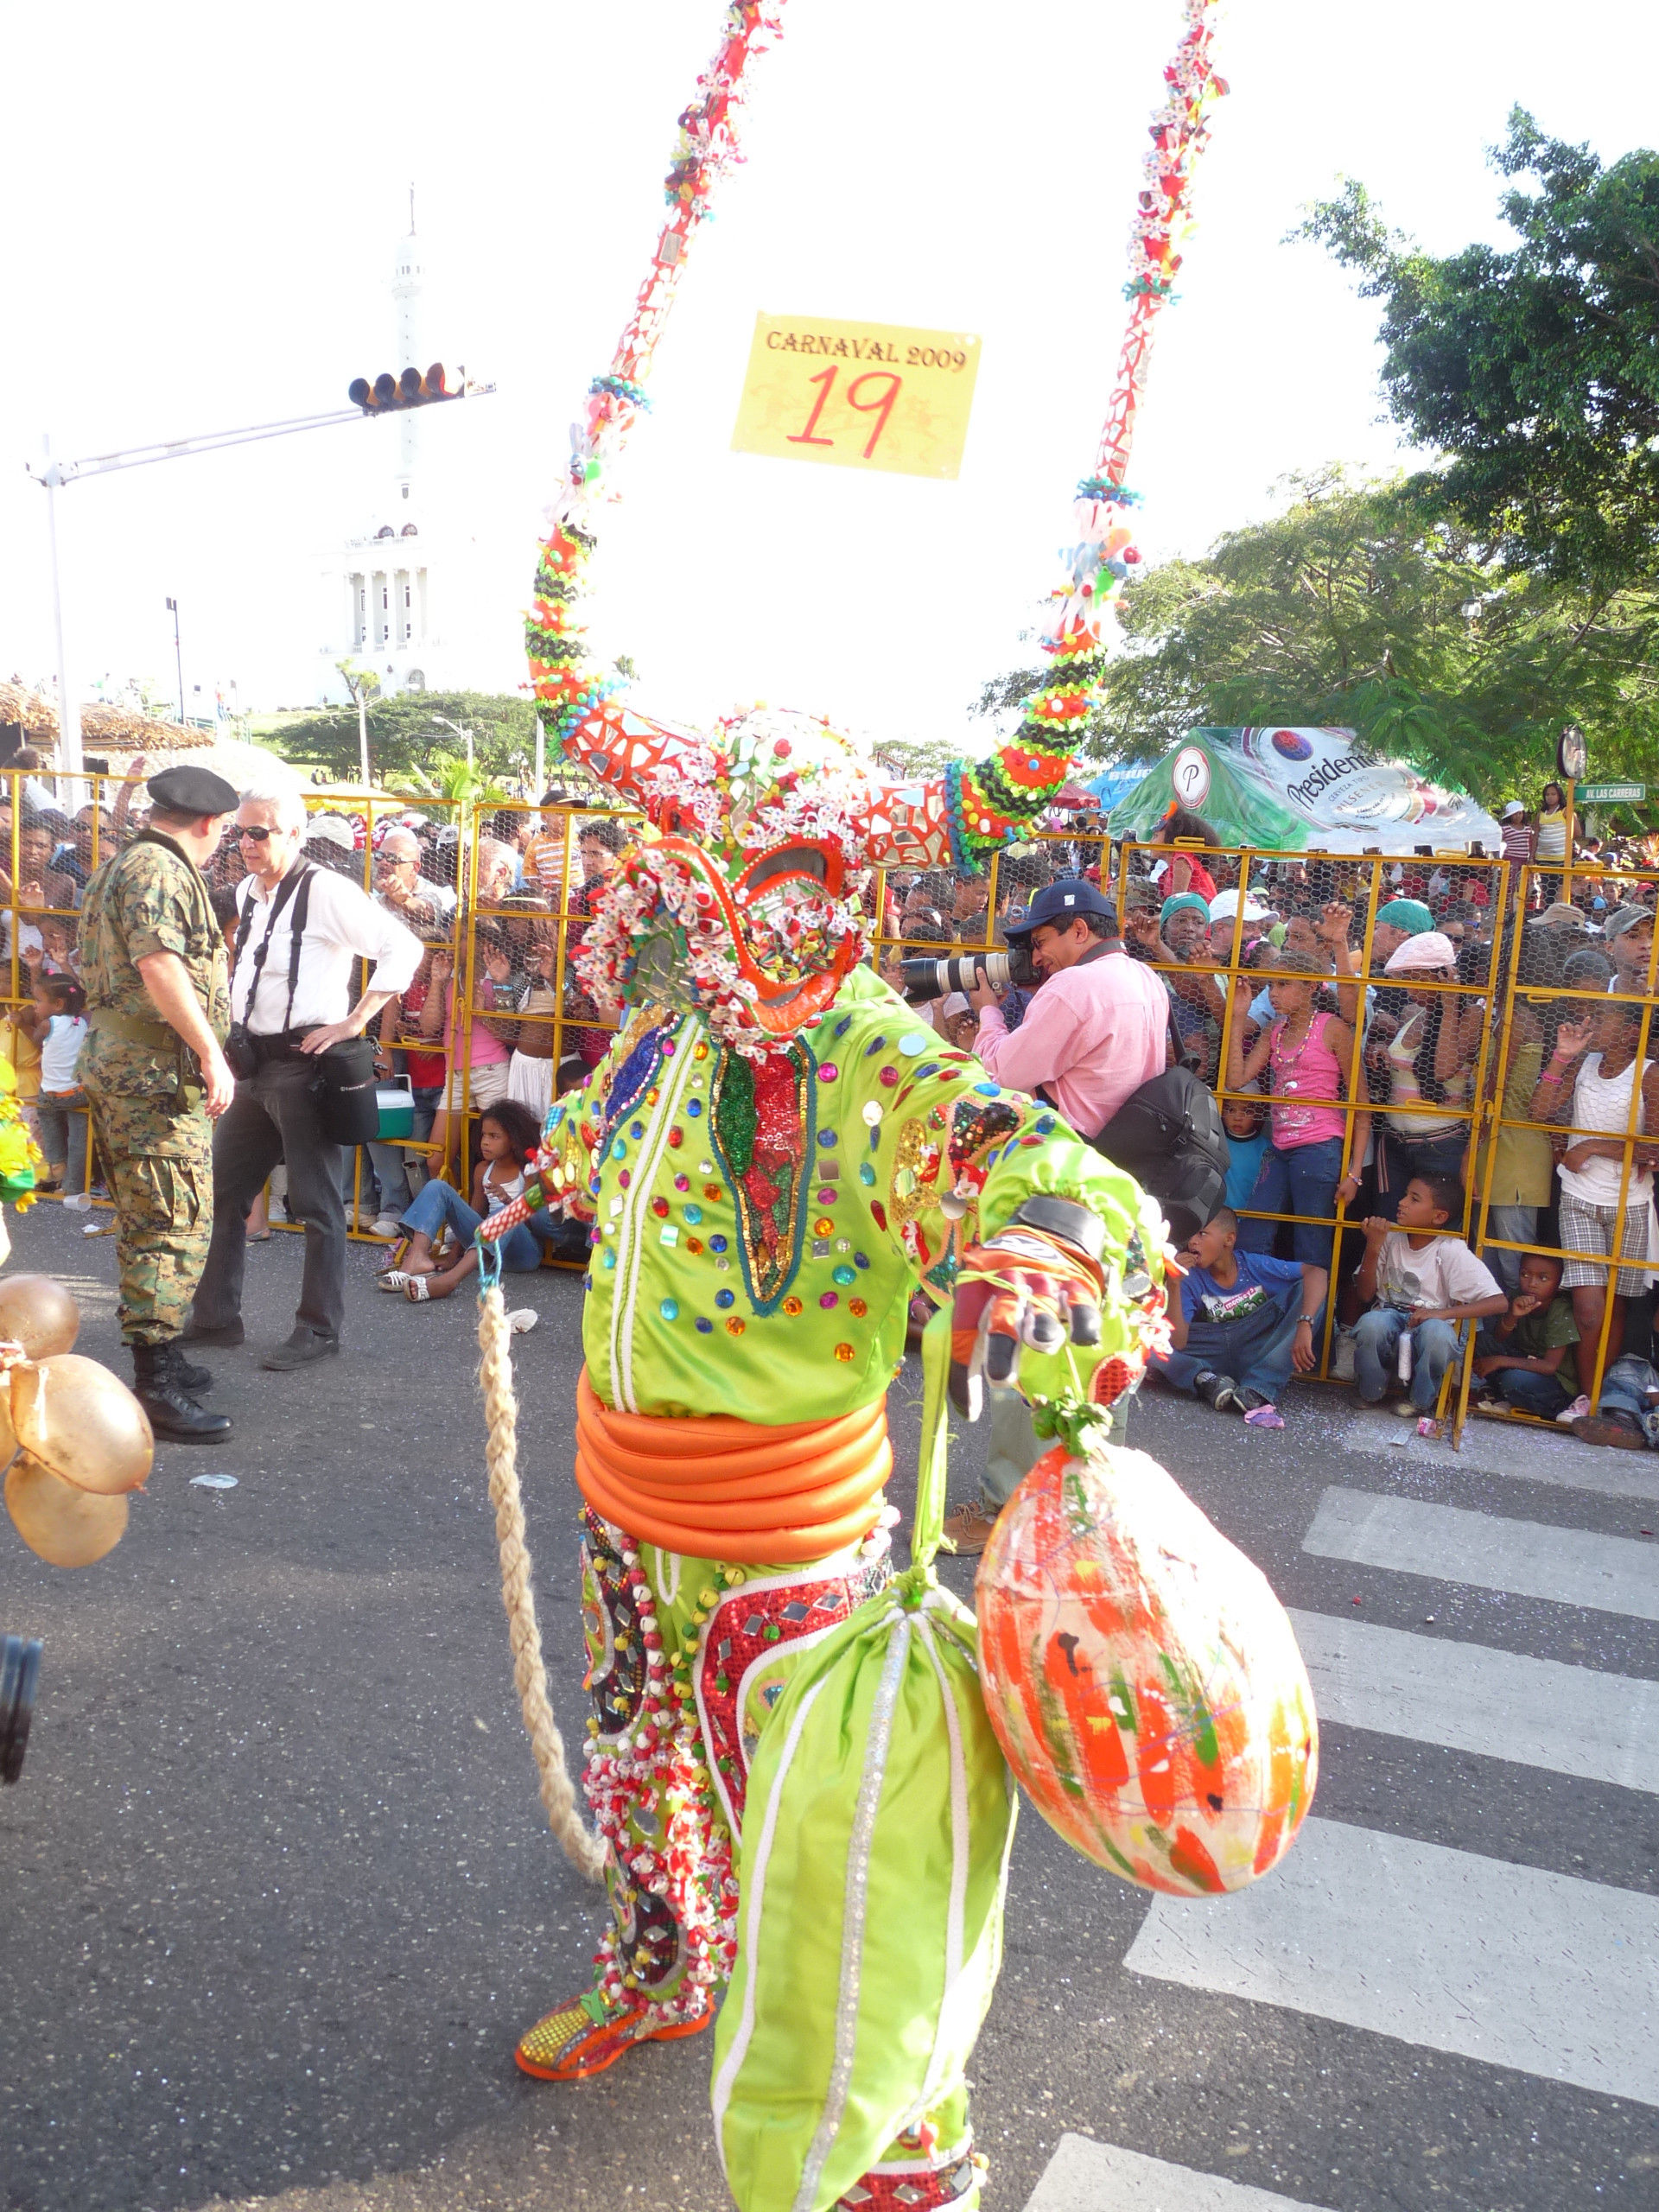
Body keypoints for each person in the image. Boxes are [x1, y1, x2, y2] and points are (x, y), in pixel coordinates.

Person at [183, 777, 422, 1372]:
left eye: (258, 832)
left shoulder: (325, 891)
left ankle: (318, 1331)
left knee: (317, 1206)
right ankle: (216, 1320)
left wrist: (355, 1020)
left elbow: (404, 947)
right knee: (224, 1194)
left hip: (301, 1066)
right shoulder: (247, 891)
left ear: (294, 833)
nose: (245, 842)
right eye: (240, 832)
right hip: (253, 1066)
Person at [77, 763, 239, 1439]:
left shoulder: (127, 863)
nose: (222, 842)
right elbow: (160, 963)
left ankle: (161, 1352)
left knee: (152, 1214)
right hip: (152, 1075)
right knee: (172, 1221)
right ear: (207, 824)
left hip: (133, 1067)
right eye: (225, 832)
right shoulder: (160, 871)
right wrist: (210, 1050)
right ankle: (156, 1384)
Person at [1529, 995, 1659, 1408]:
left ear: (1631, 1031)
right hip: (1579, 1196)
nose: (1590, 1022)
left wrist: (1593, 1147)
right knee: (1588, 1309)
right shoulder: (1584, 1065)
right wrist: (1562, 1058)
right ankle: (1587, 1398)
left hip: (1630, 1202)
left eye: (1602, 1018)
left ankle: (1601, 1401)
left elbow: (1654, 1149)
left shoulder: (1649, 1074)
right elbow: (1539, 1111)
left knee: (1615, 1310)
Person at [967, 880, 1169, 1143]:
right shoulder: (1144, 974)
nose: (1037, 958)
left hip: (1073, 1155)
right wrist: (1043, 993)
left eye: (1040, 942)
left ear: (1079, 931)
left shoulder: (1072, 986)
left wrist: (988, 1010)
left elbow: (1002, 1075)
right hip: (1129, 1151)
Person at [1227, 950, 1370, 1271]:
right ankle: (1259, 1310)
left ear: (1310, 988)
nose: (1273, 994)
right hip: (1280, 1147)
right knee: (1253, 1231)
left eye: (1282, 985)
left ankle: (1309, 1320)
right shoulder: (1273, 1031)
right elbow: (1235, 1079)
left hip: (1320, 1146)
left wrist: (1355, 1172)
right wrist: (1238, 1017)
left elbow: (1361, 1104)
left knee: (1311, 1240)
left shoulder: (1332, 1029)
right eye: (1271, 987)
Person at [1151, 1206, 1325, 1426]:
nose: (1193, 1242)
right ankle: (1206, 1380)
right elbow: (1178, 1342)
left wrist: (1304, 1324)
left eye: (1202, 1234)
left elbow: (1317, 1273)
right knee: (1146, 1341)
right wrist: (1175, 1284)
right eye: (1191, 1235)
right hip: (1209, 1352)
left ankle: (1258, 1388)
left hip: (1255, 1348)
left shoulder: (1253, 1265)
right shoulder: (1189, 1278)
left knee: (1308, 1291)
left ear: (1229, 1239)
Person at [1351, 1174, 1508, 1416]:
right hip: (1391, 1319)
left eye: (1414, 1199)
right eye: (1405, 1195)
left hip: (1429, 1325)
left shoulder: (1450, 1249)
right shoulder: (1390, 1238)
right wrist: (1373, 1247)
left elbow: (1499, 1302)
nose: (1402, 1202)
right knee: (1371, 1324)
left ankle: (1419, 1399)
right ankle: (1371, 1390)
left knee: (1439, 1334)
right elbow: (1364, 1294)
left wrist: (1441, 1313)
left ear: (1439, 1217)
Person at [379, 1099, 555, 1301]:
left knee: (502, 1214)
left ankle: (449, 1281)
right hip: (486, 1245)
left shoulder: (529, 1170)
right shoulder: (483, 1170)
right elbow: (475, 1212)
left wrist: (509, 1202)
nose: (485, 1142)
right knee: (438, 1186)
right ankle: (417, 1258)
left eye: (494, 1136)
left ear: (514, 1140)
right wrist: (453, 1256)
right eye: (484, 1135)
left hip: (522, 1253)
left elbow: (533, 1221)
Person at [1473, 1251, 1581, 1421]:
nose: (1532, 1284)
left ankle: (1506, 1395)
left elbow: (1549, 1366)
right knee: (1480, 1341)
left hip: (1554, 1382)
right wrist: (1513, 1316)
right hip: (1524, 1362)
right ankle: (1502, 1393)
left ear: (1559, 1282)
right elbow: (1498, 1338)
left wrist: (1500, 1360)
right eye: (1525, 1274)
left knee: (1513, 1380)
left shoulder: (1561, 1310)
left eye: (1543, 1278)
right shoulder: (1518, 1296)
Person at [22, 973, 89, 1197]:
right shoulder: (83, 1022)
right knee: (79, 1140)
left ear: (58, 1004)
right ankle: (74, 1186)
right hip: (79, 1093)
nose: (35, 1005)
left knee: (48, 1119)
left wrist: (22, 1023)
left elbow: (34, 1041)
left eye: (39, 1001)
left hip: (51, 1093)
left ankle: (56, 1163)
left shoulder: (47, 1024)